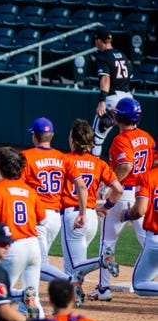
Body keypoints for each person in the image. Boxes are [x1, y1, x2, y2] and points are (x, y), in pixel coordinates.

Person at [89, 98, 157, 302]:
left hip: (123, 194)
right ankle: (148, 280)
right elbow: (153, 161)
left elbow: (126, 166)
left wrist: (109, 184)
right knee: (147, 240)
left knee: (108, 241)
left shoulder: (120, 140)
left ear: (119, 117)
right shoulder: (147, 137)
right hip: (142, 193)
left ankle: (103, 289)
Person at [0, 147, 46, 318]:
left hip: (12, 248)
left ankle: (19, 299)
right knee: (33, 296)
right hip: (34, 247)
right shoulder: (30, 191)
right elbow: (42, 220)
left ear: (0, 168)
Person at [61, 119, 123, 306]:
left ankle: (102, 260)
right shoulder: (99, 163)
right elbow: (118, 189)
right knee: (72, 264)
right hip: (91, 219)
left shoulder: (66, 160)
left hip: (74, 217)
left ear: (73, 140)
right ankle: (75, 293)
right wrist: (107, 207)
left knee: (74, 266)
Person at [22, 117, 87, 282]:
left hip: (37, 217)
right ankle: (29, 299)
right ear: (51, 135)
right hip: (55, 219)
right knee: (32, 262)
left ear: (34, 136)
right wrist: (82, 213)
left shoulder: (26, 156)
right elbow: (81, 186)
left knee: (39, 266)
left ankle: (70, 281)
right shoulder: (63, 158)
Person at [90, 26, 134, 157]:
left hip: (112, 99)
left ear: (98, 40)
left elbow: (105, 79)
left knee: (96, 139)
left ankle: (93, 172)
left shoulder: (103, 57)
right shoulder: (123, 55)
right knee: (129, 138)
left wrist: (102, 101)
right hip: (128, 100)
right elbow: (129, 77)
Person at [123, 157, 158, 296]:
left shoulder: (147, 176)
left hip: (155, 241)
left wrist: (127, 215)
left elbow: (139, 211)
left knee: (139, 284)